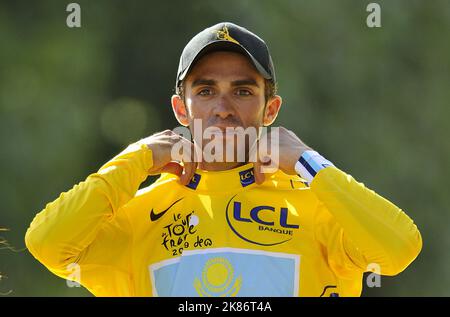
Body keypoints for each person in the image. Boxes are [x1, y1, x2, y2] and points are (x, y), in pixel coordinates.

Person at [25, 22, 422, 297]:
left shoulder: (316, 204)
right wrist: (136, 158)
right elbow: (47, 243)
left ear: (271, 110)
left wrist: (308, 162)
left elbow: (399, 249)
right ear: (181, 109)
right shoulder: (140, 216)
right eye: (207, 90)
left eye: (244, 91)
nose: (224, 108)